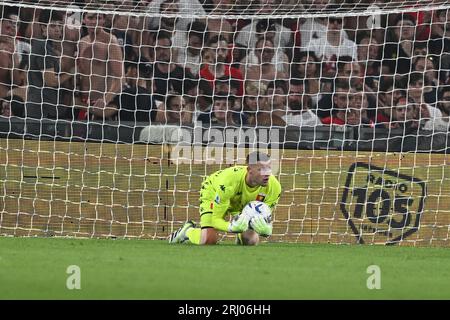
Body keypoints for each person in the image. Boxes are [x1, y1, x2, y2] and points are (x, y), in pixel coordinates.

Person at [169, 151, 282, 245]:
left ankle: (241, 234)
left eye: (269, 168)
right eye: (261, 169)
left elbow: (263, 216)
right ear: (249, 170)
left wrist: (266, 229)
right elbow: (215, 219)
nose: (267, 173)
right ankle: (187, 231)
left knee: (251, 241)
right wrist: (231, 227)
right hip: (214, 192)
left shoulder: (274, 187)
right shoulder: (229, 183)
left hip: (240, 202)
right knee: (208, 240)